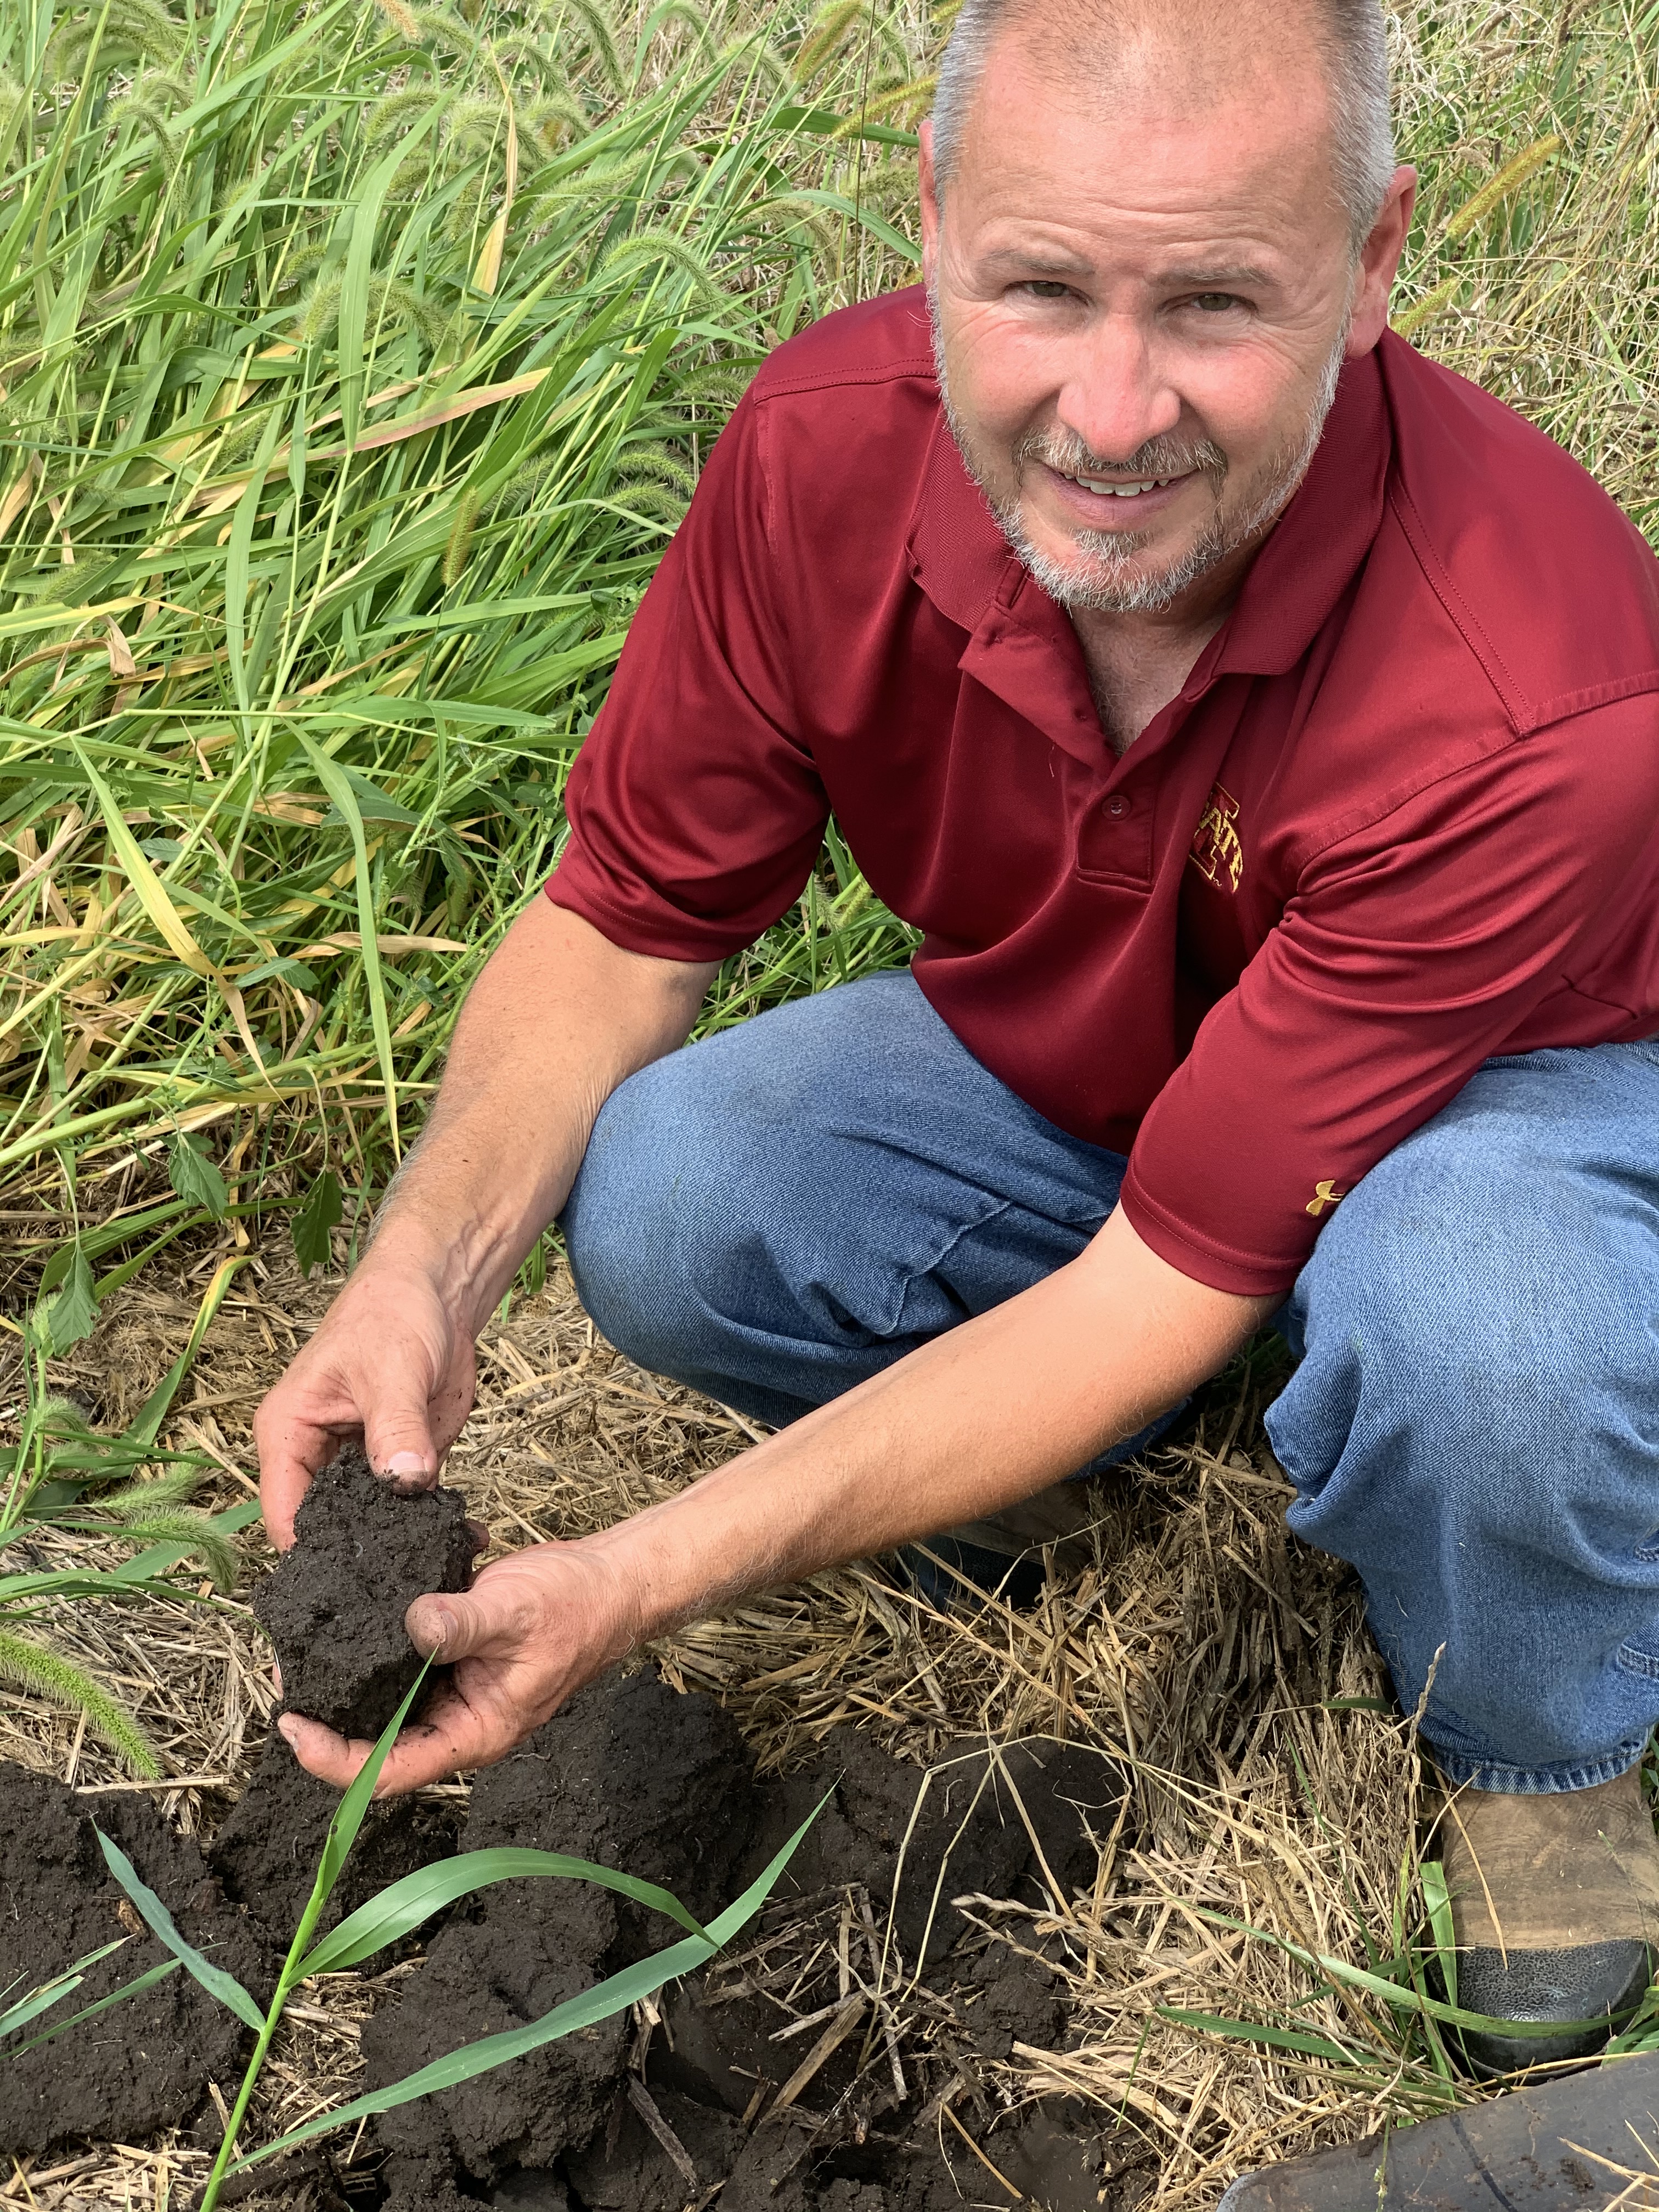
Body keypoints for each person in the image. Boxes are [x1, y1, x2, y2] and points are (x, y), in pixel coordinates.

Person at [255, 0, 1659, 2075]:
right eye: (1039, 287)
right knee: (676, 1195)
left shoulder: (1532, 692)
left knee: (1488, 1325)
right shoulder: (823, 452)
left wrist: (642, 1579)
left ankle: (1548, 1742)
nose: (1110, 410)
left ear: (1373, 263)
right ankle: (1086, 1461)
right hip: (1125, 1065)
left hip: (1514, 1092)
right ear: (931, 224)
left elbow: (1170, 1266)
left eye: (1212, 303)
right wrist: (416, 1276)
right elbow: (622, 919)